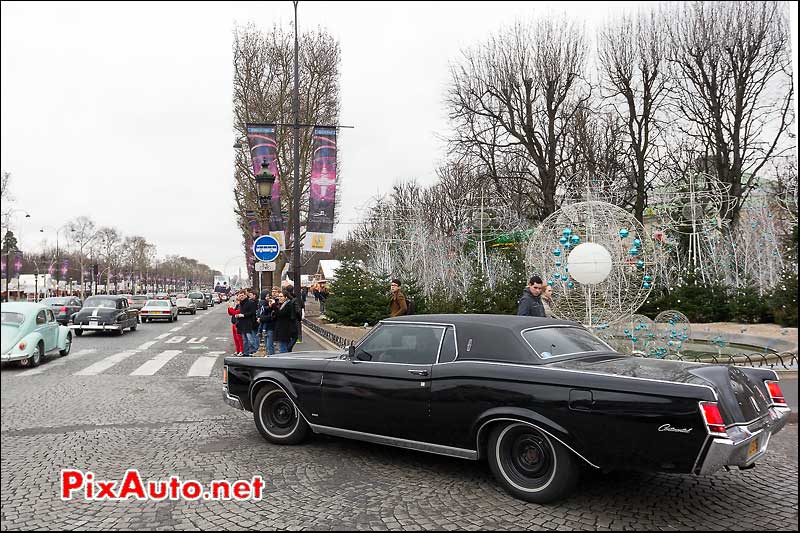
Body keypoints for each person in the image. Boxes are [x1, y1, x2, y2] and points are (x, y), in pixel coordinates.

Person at [236, 289, 259, 356]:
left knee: (250, 339)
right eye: (240, 296)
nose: (241, 297)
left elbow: (252, 312)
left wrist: (243, 315)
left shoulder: (250, 302)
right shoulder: (241, 303)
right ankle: (246, 352)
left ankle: (253, 351)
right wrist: (238, 315)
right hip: (242, 324)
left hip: (249, 323)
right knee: (244, 340)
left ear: (246, 295)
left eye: (243, 295)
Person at [275, 288, 298, 353]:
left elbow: (280, 314)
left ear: (286, 297)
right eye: (279, 296)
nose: (279, 298)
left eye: (281, 296)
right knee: (285, 347)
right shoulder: (282, 304)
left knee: (283, 348)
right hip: (283, 329)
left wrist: (274, 306)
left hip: (285, 329)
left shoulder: (288, 305)